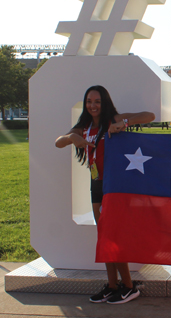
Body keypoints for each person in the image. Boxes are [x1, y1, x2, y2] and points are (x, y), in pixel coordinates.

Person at [55, 85, 155, 305]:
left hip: (116, 184)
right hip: (96, 183)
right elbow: (58, 142)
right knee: (104, 236)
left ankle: (129, 286)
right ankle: (112, 285)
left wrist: (124, 123)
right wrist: (74, 138)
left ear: (105, 102)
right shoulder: (84, 126)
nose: (93, 105)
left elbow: (150, 116)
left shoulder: (114, 119)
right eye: (89, 101)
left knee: (113, 235)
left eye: (97, 101)